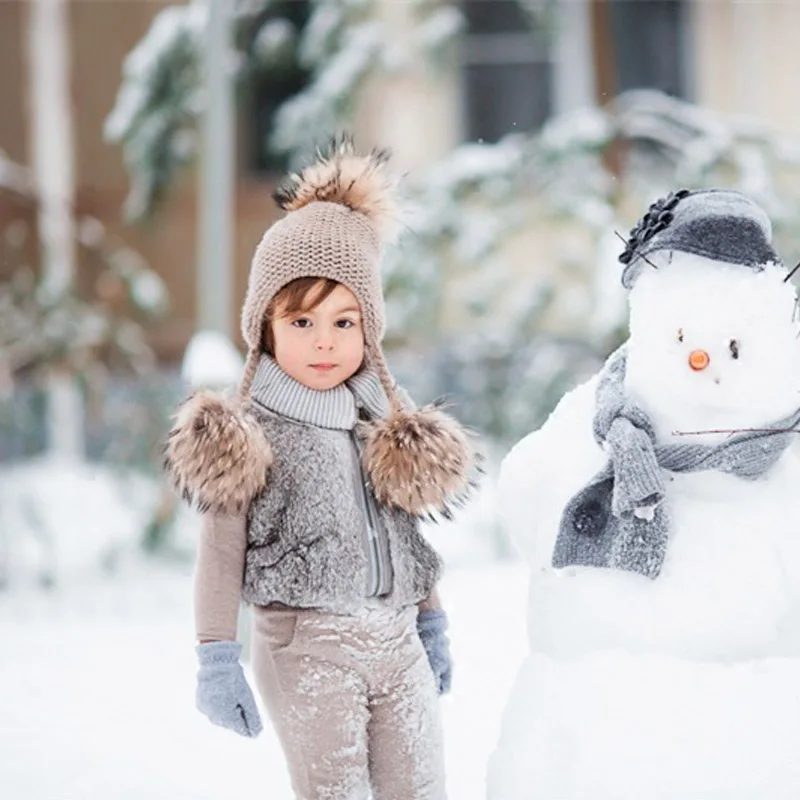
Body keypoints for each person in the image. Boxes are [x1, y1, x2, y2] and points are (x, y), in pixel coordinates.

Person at [164, 136, 476, 799]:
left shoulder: (382, 421)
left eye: (345, 321)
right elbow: (220, 555)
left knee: (420, 789)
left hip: (396, 642)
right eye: (302, 322)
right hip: (306, 646)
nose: (327, 341)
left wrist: (432, 619)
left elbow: (404, 534)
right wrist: (216, 655)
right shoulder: (248, 433)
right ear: (266, 327)